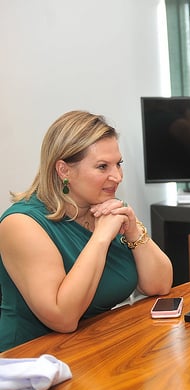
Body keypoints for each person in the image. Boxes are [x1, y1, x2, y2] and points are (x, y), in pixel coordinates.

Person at [0, 111, 173, 352]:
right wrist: (101, 238)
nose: (118, 176)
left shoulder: (104, 206)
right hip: (30, 363)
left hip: (94, 348)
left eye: (118, 164)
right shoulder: (21, 224)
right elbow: (63, 317)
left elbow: (160, 285)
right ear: (64, 170)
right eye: (102, 166)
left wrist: (133, 230)